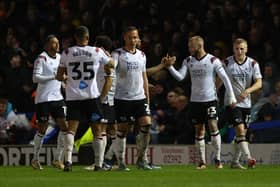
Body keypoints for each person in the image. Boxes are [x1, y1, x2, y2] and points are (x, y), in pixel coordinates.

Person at [165, 36, 237, 169]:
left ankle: (218, 159)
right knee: (199, 131)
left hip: (210, 100)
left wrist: (232, 96)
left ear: (199, 46)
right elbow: (180, 77)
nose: (189, 48)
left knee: (213, 126)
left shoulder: (212, 60)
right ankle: (202, 162)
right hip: (195, 101)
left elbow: (225, 78)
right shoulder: (188, 60)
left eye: (191, 46)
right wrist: (170, 67)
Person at [56, 26, 114, 172]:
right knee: (97, 131)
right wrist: (108, 59)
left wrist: (66, 78)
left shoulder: (67, 52)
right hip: (91, 96)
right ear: (87, 37)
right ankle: (99, 164)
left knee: (71, 130)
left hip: (73, 96)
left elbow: (59, 76)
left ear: (76, 38)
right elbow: (111, 64)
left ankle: (67, 161)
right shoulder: (96, 51)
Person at [112, 26, 153, 170]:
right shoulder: (117, 54)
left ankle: (141, 159)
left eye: (135, 37)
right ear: (125, 38)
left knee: (147, 125)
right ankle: (121, 161)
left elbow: (144, 77)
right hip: (122, 98)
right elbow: (112, 68)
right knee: (123, 131)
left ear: (138, 38)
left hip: (139, 97)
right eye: (130, 37)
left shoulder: (142, 55)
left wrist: (147, 96)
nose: (132, 40)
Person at [222, 38, 262, 169]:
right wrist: (214, 94)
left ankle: (234, 162)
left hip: (247, 103)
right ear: (233, 49)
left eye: (241, 49)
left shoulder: (253, 64)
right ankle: (249, 158)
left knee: (241, 135)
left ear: (246, 49)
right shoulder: (227, 62)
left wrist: (248, 91)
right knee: (239, 130)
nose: (239, 51)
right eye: (236, 49)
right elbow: (219, 80)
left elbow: (259, 82)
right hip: (231, 102)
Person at [31, 35, 68, 170]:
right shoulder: (41, 58)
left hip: (57, 97)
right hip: (43, 99)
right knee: (42, 128)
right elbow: (35, 78)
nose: (57, 45)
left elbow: (60, 78)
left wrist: (65, 83)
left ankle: (57, 159)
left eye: (57, 43)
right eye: (53, 43)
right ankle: (35, 159)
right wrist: (55, 76)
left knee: (65, 126)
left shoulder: (60, 58)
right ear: (47, 45)